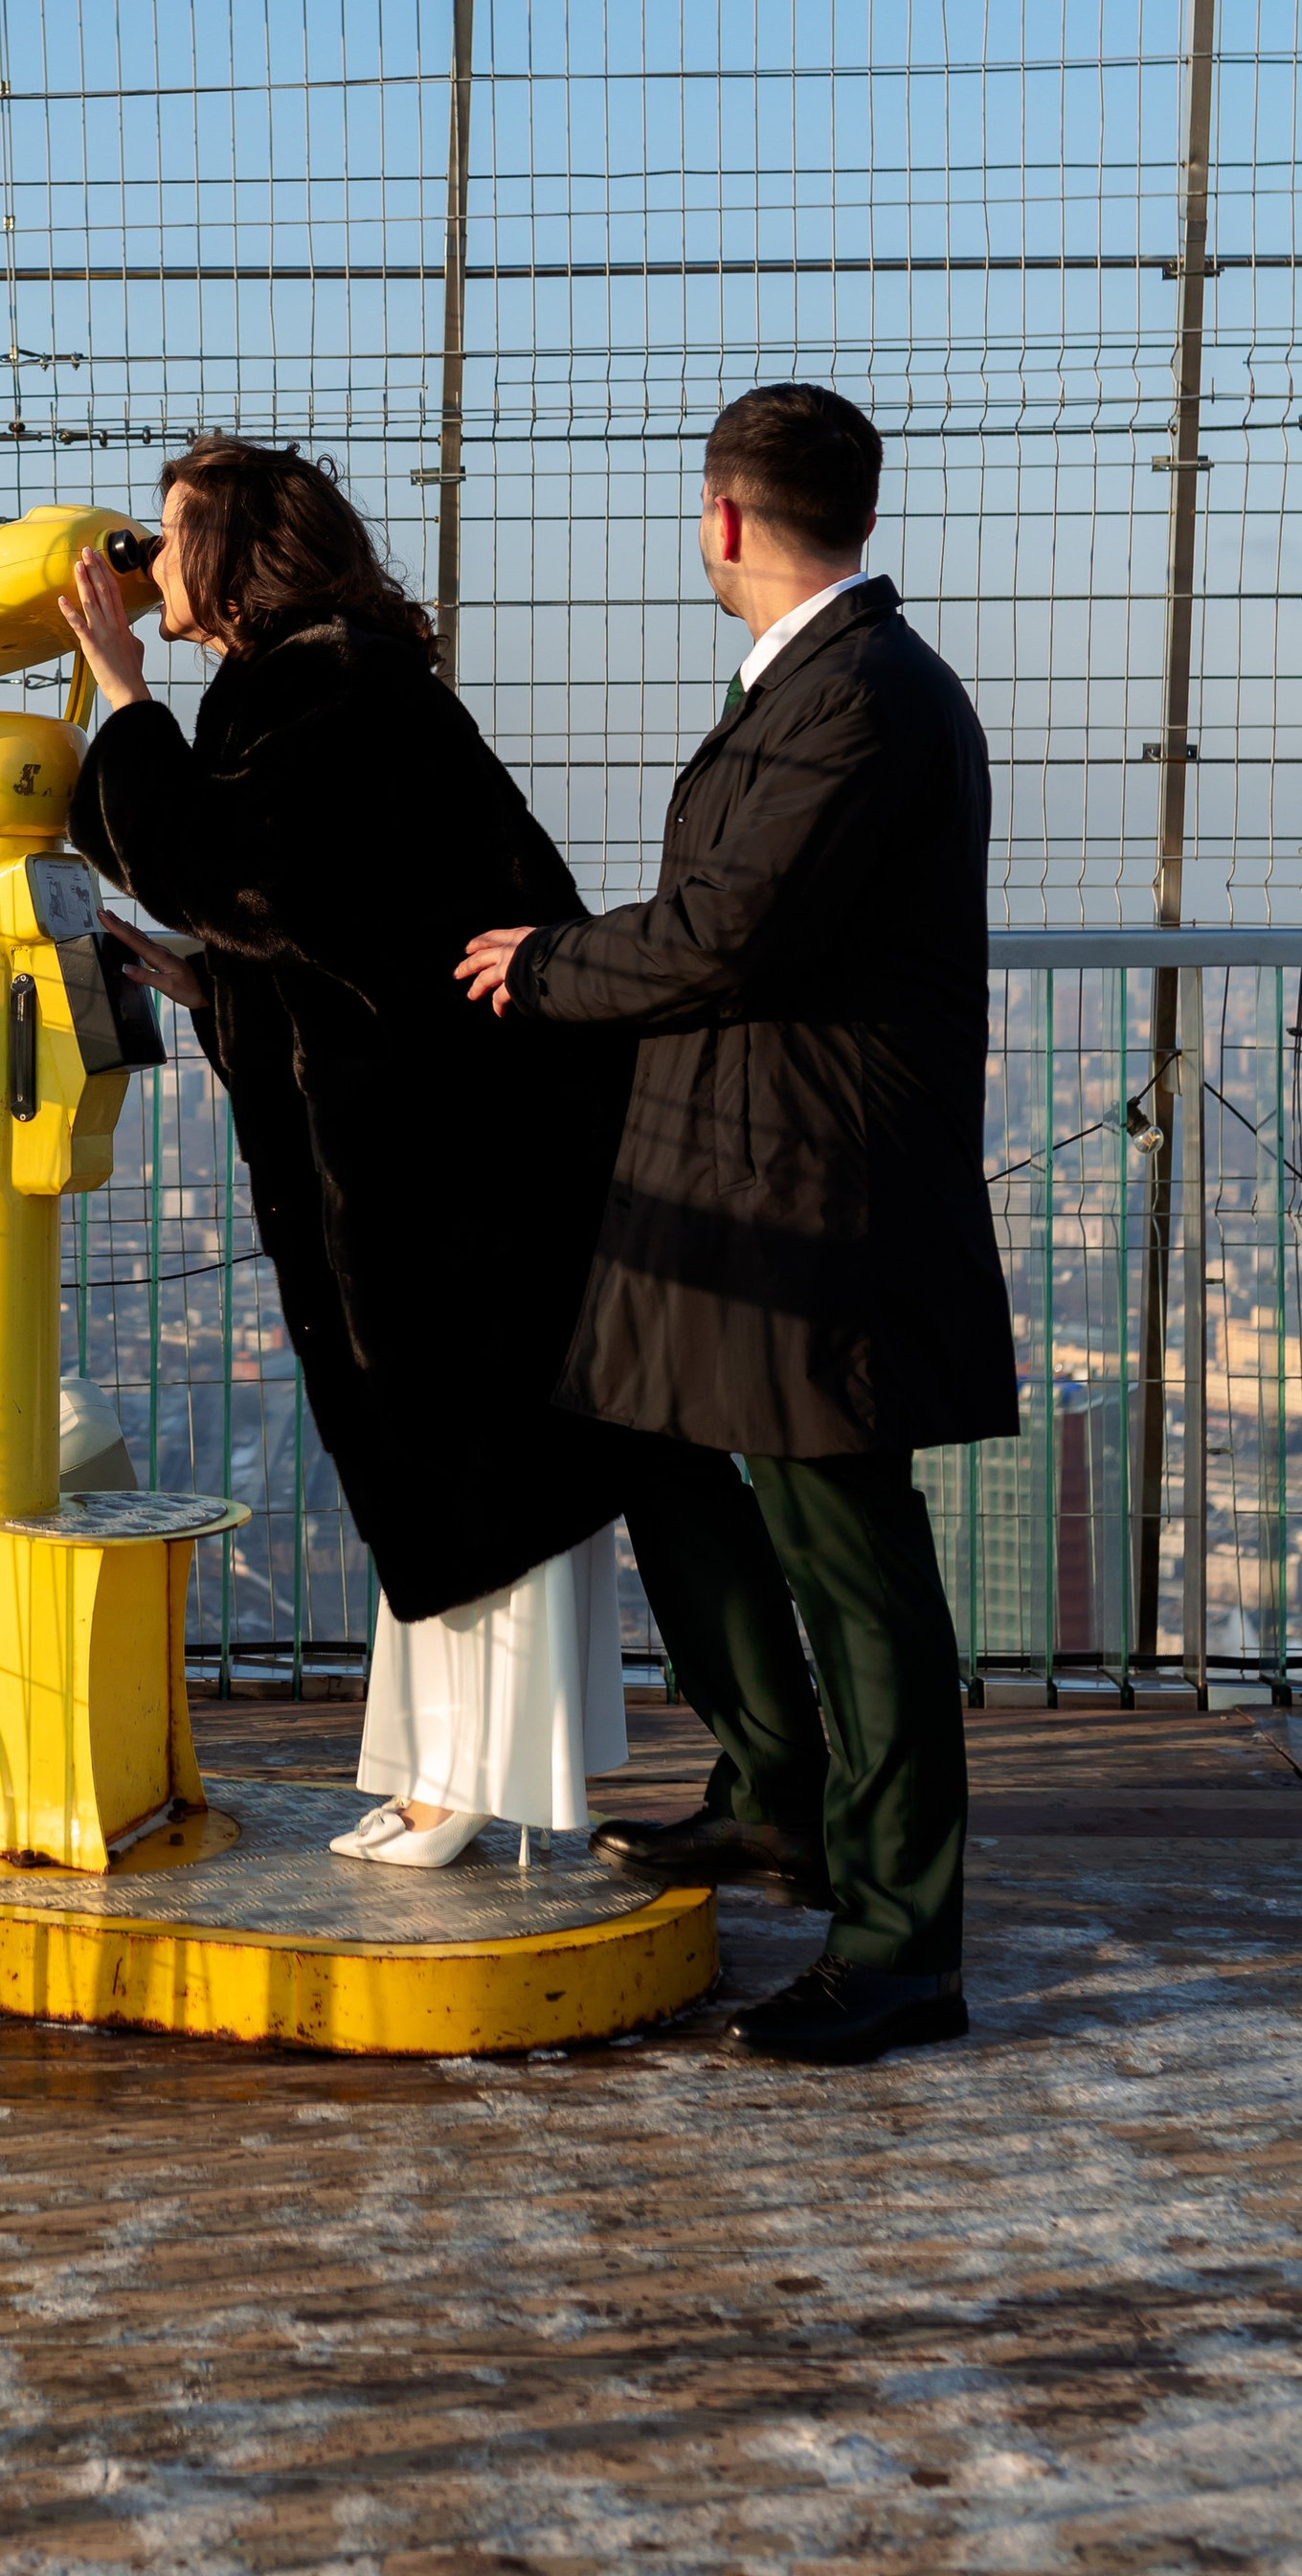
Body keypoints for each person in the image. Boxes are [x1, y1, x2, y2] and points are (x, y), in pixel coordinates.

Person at [458, 382, 1017, 2062]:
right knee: (659, 1451)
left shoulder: (865, 697)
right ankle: (774, 1787)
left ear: (724, 520)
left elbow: (729, 930)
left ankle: (905, 1946)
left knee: (854, 1559)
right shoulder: (827, 684)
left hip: (810, 1195)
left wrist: (542, 966)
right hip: (729, 1177)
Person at [59, 439, 636, 1864]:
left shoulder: (331, 688)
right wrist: (210, 987)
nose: (149, 560)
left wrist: (122, 696)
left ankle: (476, 1783)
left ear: (242, 554)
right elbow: (324, 926)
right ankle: (446, 1768)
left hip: (448, 1169)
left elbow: (236, 871)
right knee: (434, 1468)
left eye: (172, 532)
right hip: (435, 1151)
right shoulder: (317, 684)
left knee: (468, 1470)